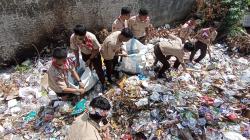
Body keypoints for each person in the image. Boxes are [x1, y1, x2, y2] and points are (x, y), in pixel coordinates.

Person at [70, 25, 107, 91]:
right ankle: (91, 80)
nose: (83, 39)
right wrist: (77, 61)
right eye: (80, 39)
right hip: (84, 53)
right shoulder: (73, 38)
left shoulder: (91, 37)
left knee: (99, 69)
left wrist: (90, 59)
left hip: (94, 54)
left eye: (84, 37)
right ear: (76, 35)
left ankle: (103, 82)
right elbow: (75, 49)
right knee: (87, 68)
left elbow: (97, 49)